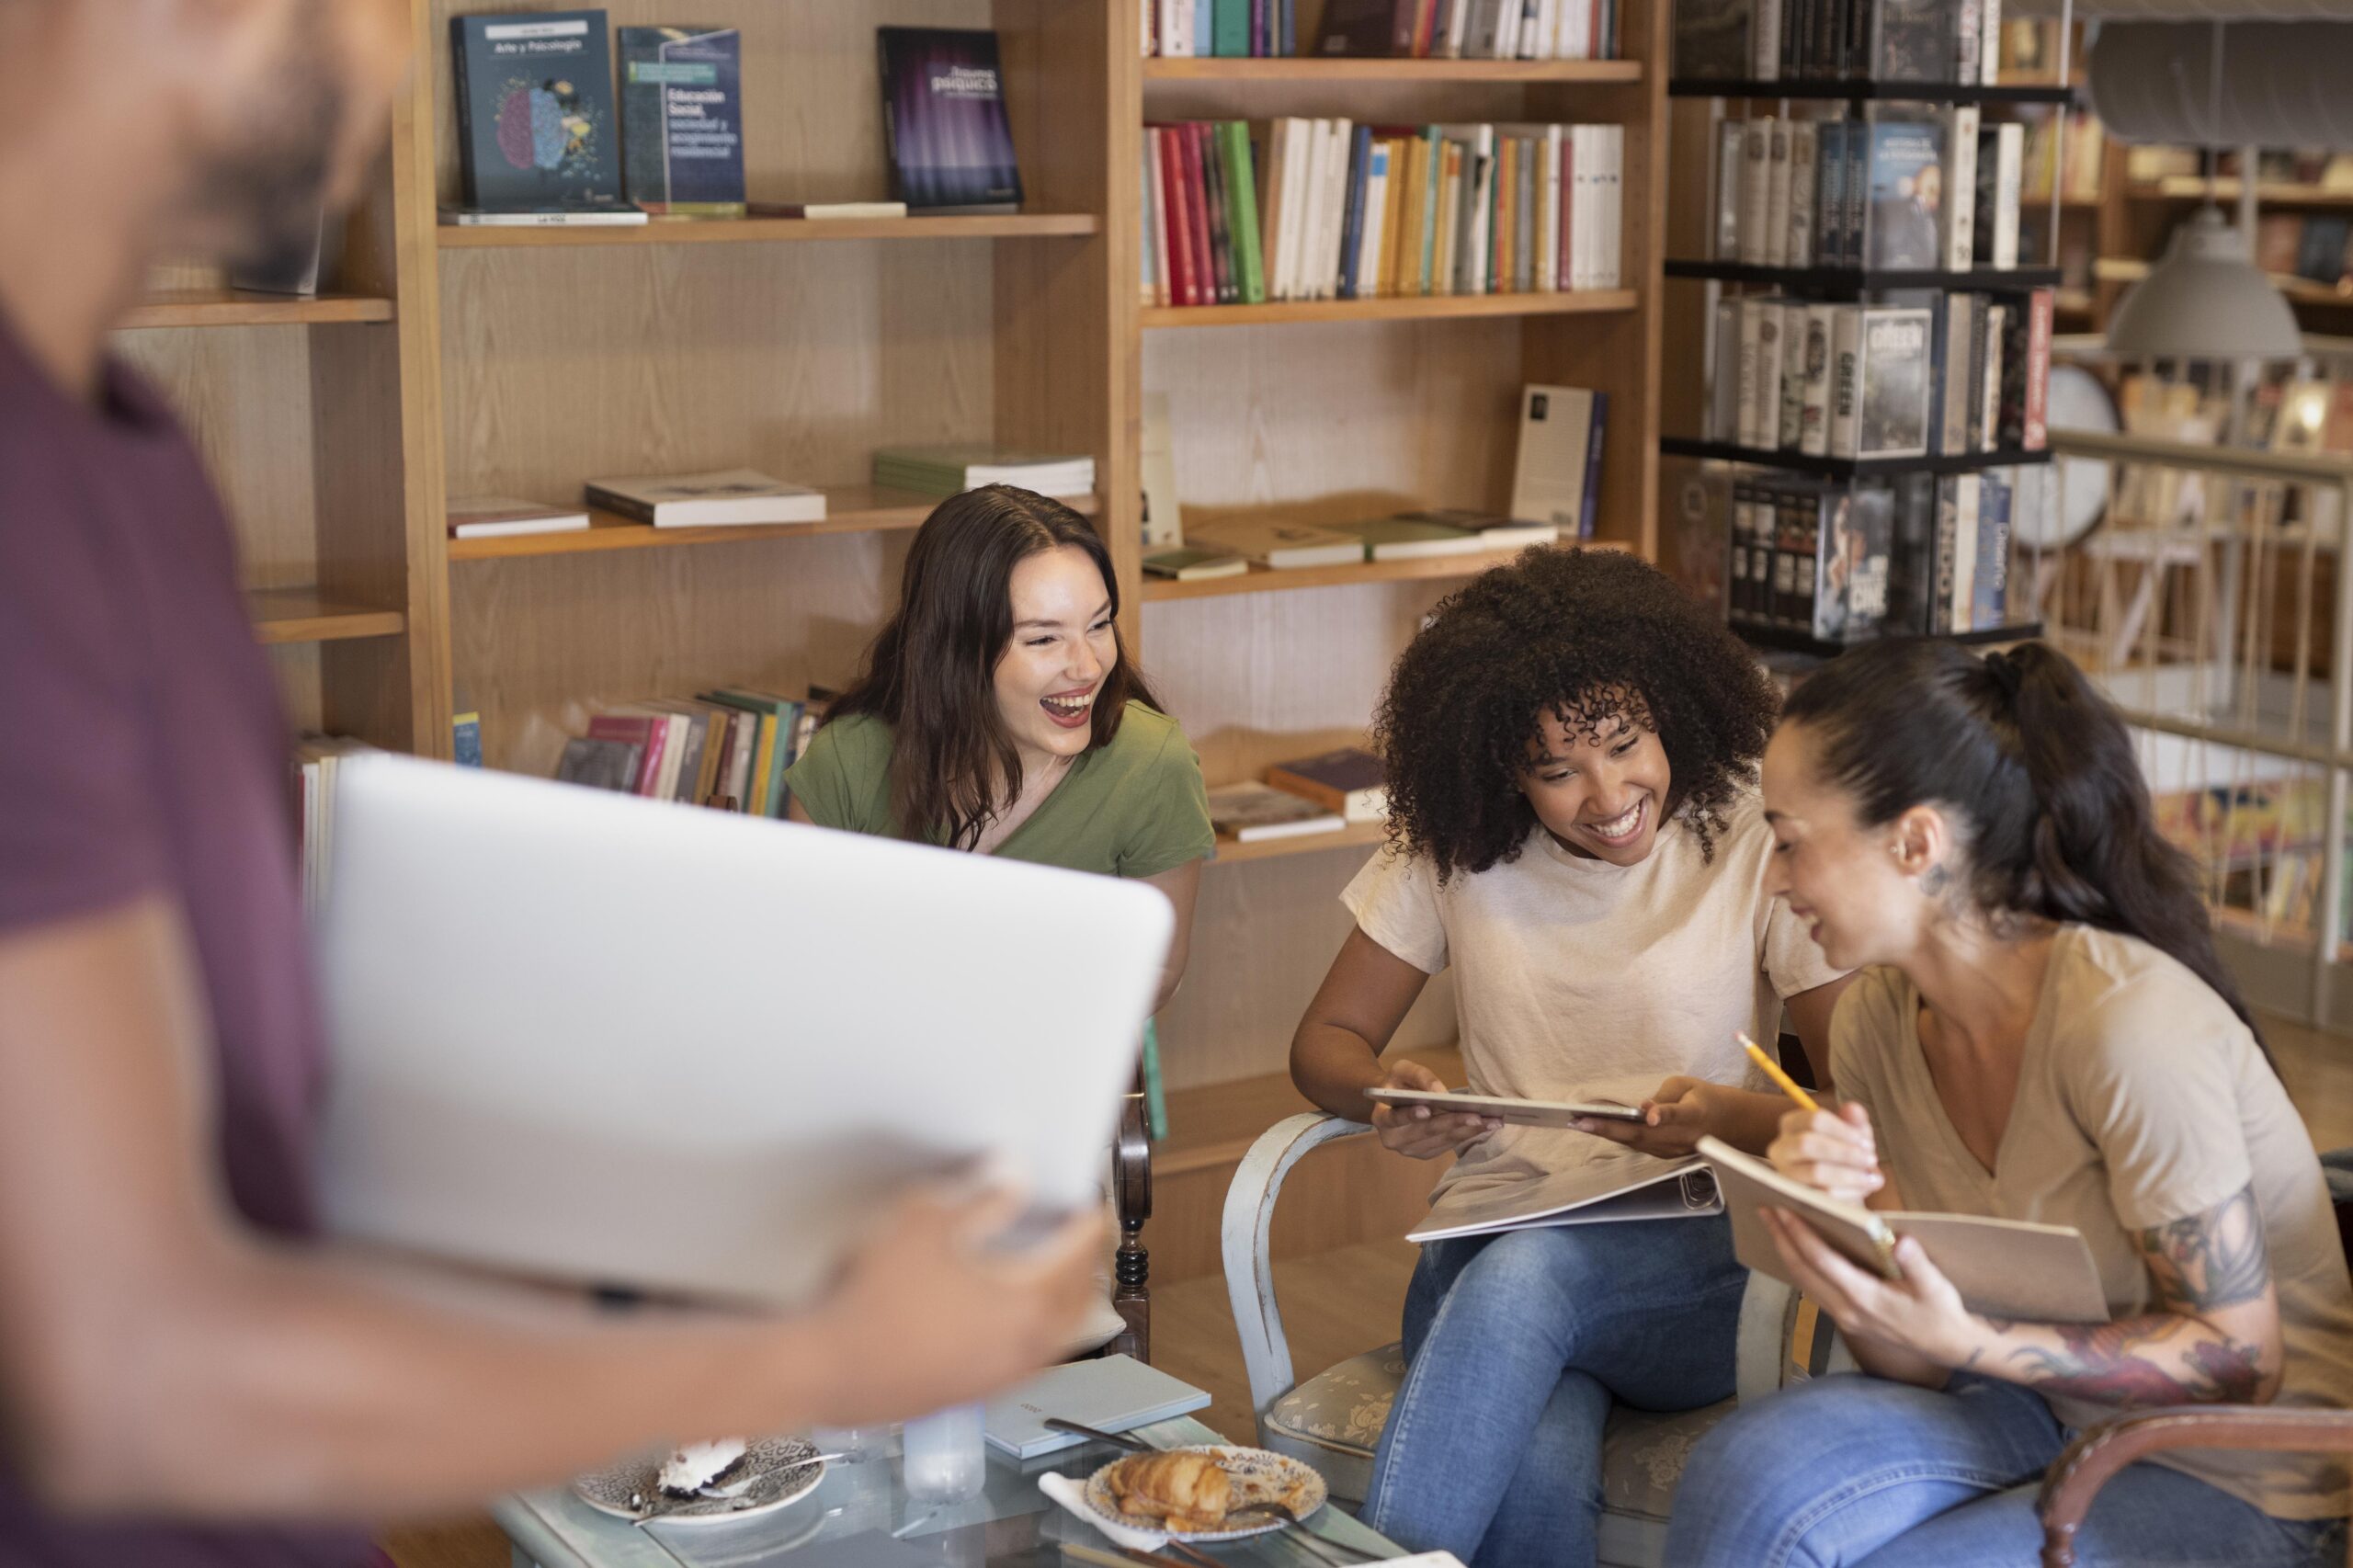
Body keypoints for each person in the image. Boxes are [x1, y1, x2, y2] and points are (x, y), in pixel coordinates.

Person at [0, 5, 1103, 1563]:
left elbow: (235, 1132)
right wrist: (822, 1356)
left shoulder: (129, 456)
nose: (390, 61)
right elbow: (122, 1373)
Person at [1666, 639, 2353, 1567]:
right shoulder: (1876, 1015)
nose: (1777, 881)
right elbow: (1910, 1360)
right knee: (1742, 1475)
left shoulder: (2126, 1025)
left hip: (2231, 1467)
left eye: (1789, 842)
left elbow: (2242, 1358)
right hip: (2038, 1405)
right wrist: (1842, 1225)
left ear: (1914, 841)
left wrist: (1969, 1336)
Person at [1288, 549, 1852, 1567]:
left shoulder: (1751, 837)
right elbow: (1324, 1044)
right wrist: (1388, 1095)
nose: (1606, 794)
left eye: (1625, 743)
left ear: (1669, 705)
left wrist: (1727, 1115)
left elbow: (1865, 1087)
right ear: (1502, 768)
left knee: (1527, 1277)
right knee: (1537, 1453)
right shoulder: (1456, 844)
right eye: (1556, 770)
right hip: (1486, 1242)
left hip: (1693, 1266)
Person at [786, 485, 1213, 1013]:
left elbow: (1159, 971)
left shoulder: (1151, 764)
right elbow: (800, 963)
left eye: (1099, 625)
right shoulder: (848, 762)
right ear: (956, 652)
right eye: (1042, 639)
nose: (1088, 666)